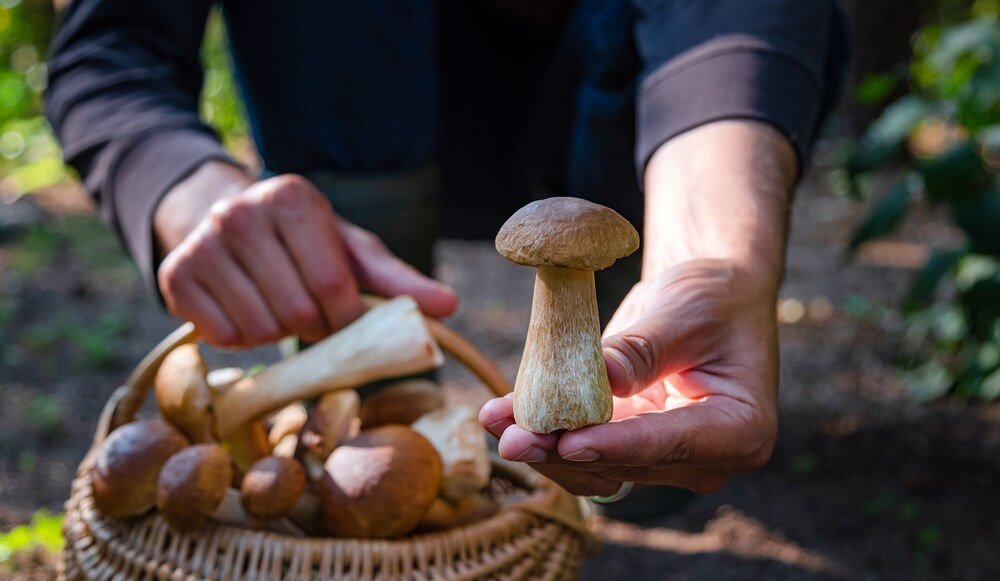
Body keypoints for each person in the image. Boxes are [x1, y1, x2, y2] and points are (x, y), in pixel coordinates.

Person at [45, 1, 849, 501]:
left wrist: (714, 259)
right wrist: (191, 192)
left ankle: (657, 314)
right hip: (354, 110)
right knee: (382, 473)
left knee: (634, 477)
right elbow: (106, 44)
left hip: (623, 117)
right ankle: (373, 396)